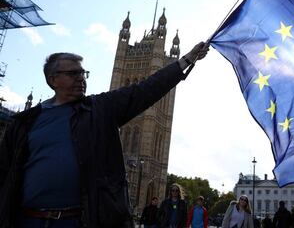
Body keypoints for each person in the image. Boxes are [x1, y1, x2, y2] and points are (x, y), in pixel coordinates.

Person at [0, 42, 209, 228]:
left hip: (77, 219)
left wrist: (186, 60)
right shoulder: (24, 122)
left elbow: (145, 90)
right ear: (53, 79)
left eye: (83, 73)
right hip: (26, 219)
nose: (81, 78)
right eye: (73, 74)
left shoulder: (99, 109)